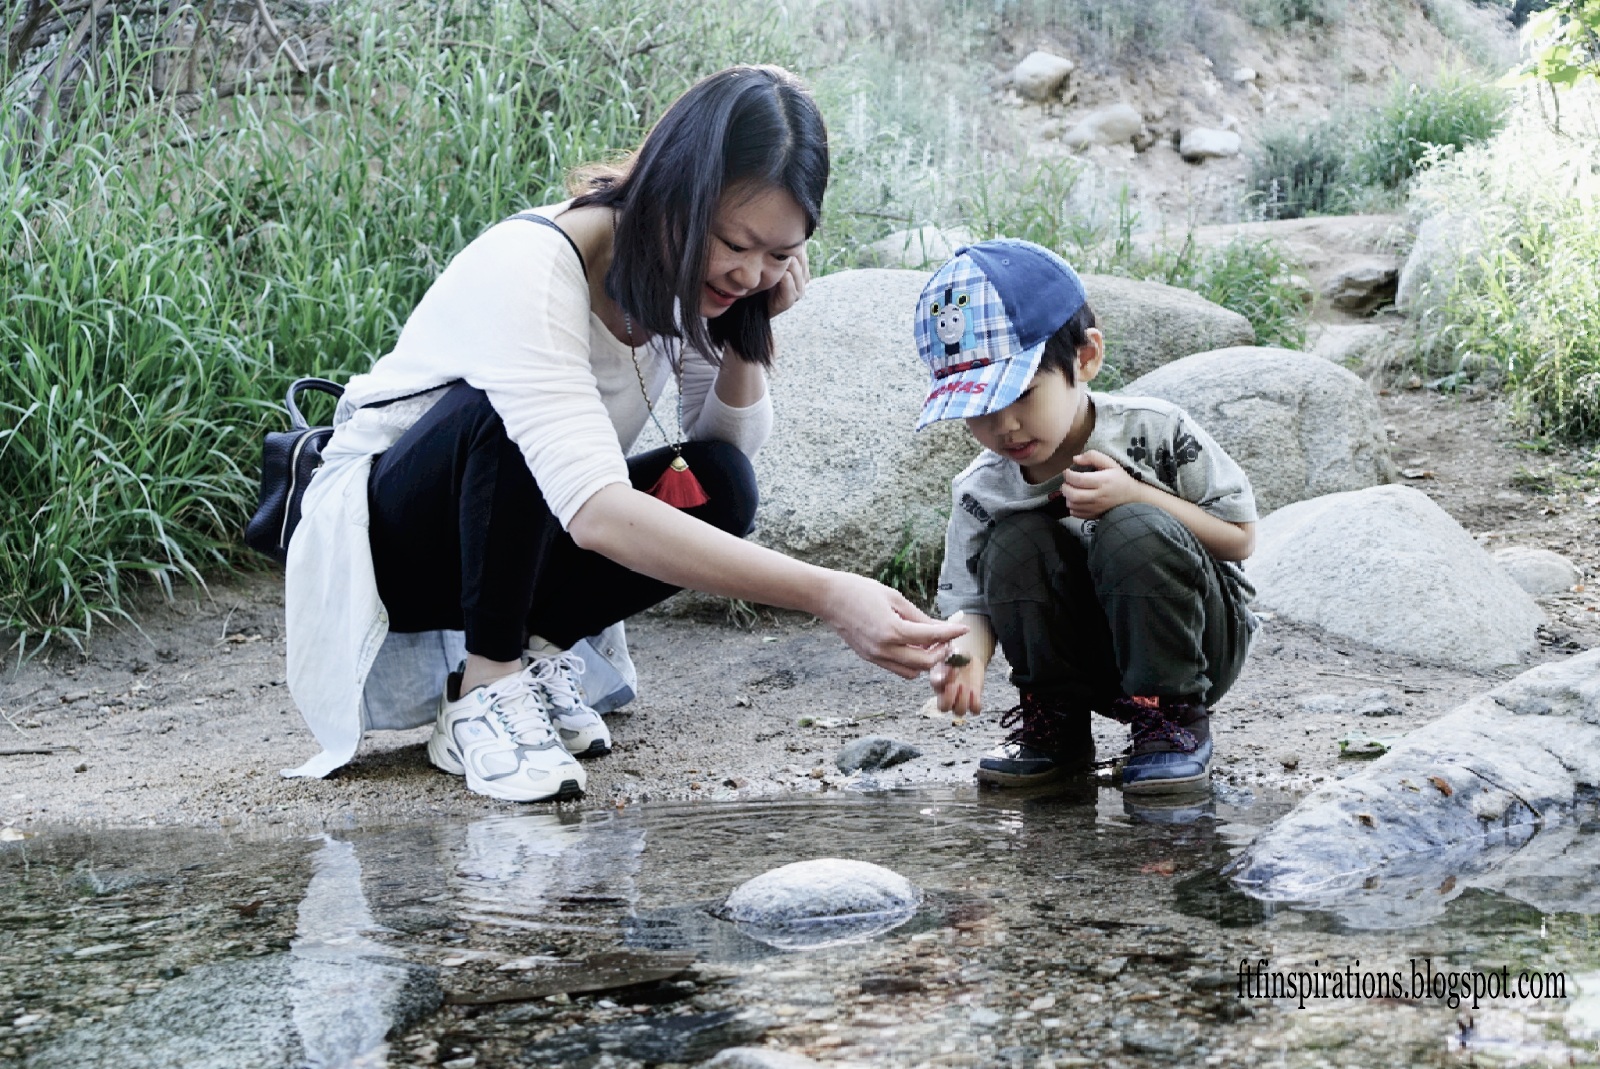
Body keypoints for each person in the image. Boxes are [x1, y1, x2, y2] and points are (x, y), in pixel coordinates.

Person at [280, 65, 966, 802]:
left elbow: (724, 449)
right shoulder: (532, 265)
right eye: (735, 243)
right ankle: (485, 685)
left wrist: (749, 330)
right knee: (505, 417)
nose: (748, 273)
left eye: (778, 255)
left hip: (523, 537)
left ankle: (532, 655)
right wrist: (829, 593)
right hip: (390, 546)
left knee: (720, 481)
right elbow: (596, 512)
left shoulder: (687, 279)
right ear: (673, 192)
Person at [916, 238, 1258, 794]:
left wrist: (1135, 494)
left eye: (1022, 395)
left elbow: (1239, 539)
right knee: (1014, 542)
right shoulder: (983, 489)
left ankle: (1172, 722)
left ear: (1085, 358)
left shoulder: (1154, 431)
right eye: (980, 410)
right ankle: (1056, 726)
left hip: (1194, 646)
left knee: (1133, 528)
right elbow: (970, 603)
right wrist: (963, 660)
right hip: (1088, 661)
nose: (1005, 427)